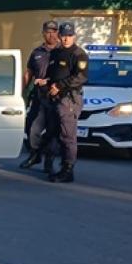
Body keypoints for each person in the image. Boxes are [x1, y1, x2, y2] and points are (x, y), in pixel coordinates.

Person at [37, 22, 88, 183]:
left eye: (69, 35)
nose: (66, 39)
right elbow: (53, 74)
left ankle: (67, 170)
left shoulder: (79, 54)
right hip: (54, 98)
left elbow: (81, 77)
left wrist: (59, 86)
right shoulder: (56, 52)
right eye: (63, 35)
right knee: (52, 132)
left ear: (74, 36)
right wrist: (46, 82)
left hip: (69, 99)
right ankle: (50, 163)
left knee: (68, 136)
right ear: (59, 36)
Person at [19, 21, 60, 172]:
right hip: (38, 96)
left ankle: (49, 161)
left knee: (52, 131)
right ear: (43, 33)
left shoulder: (62, 51)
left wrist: (49, 82)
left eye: (54, 31)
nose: (51, 34)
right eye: (48, 32)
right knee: (31, 127)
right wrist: (20, 92)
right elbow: (28, 73)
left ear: (58, 33)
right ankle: (35, 154)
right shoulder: (37, 52)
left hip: (56, 98)